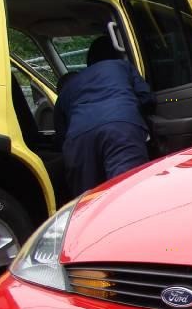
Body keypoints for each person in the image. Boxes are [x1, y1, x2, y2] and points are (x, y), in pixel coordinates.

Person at [54, 36, 155, 196]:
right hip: (120, 127)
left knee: (86, 202)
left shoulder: (70, 85)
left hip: (79, 137)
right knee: (126, 193)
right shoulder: (122, 66)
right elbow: (146, 97)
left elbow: (61, 133)